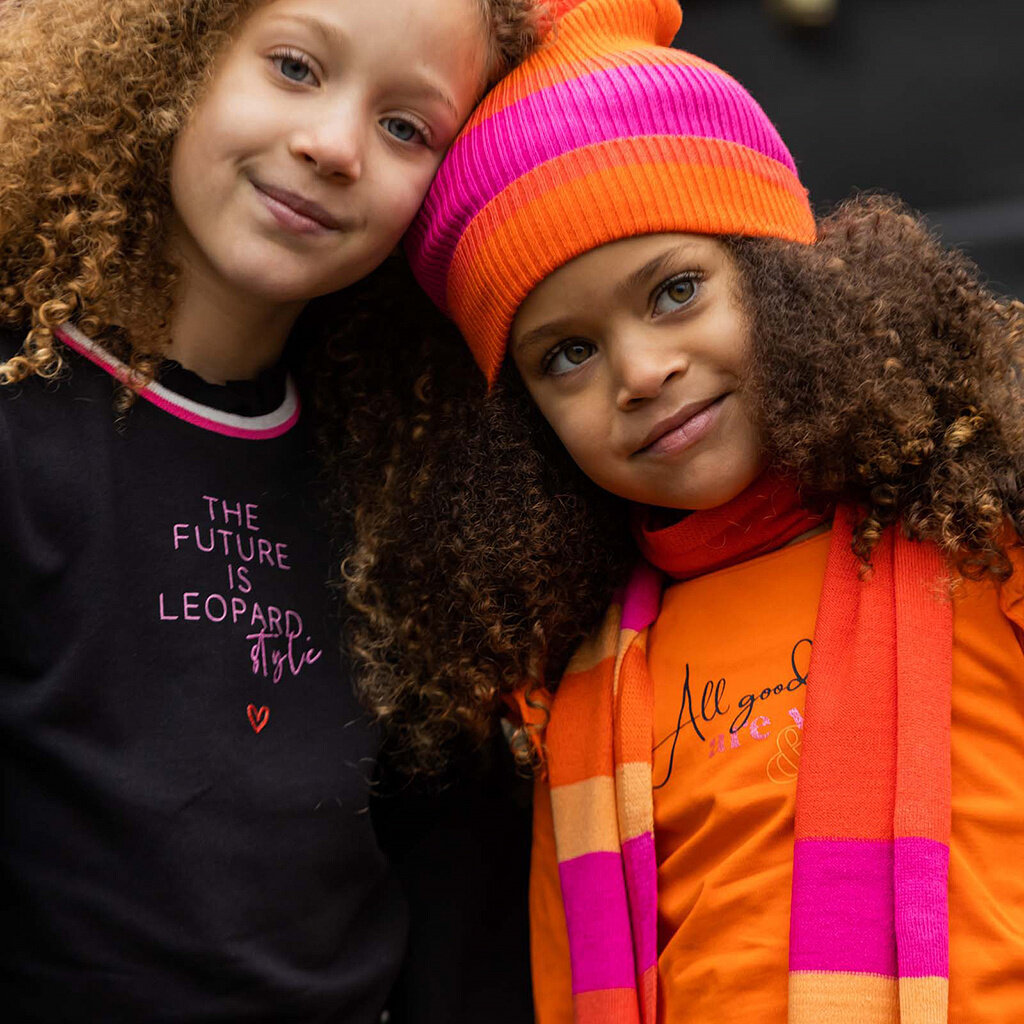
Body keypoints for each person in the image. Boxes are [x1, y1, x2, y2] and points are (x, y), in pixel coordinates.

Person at [340, 0, 1024, 1020]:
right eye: (568, 354)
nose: (641, 372)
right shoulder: (558, 688)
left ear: (782, 279)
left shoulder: (981, 534)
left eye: (674, 292)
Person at [0, 0, 539, 1020]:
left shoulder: (398, 485)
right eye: (295, 67)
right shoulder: (19, 423)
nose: (333, 145)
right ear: (178, 55)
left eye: (405, 127)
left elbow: (458, 909)